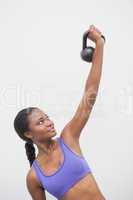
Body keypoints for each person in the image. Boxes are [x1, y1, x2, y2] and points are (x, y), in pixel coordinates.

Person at [13, 25, 106, 200]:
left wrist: (99, 44)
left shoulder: (68, 138)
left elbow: (90, 92)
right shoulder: (34, 177)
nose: (49, 122)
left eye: (47, 118)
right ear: (28, 133)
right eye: (40, 122)